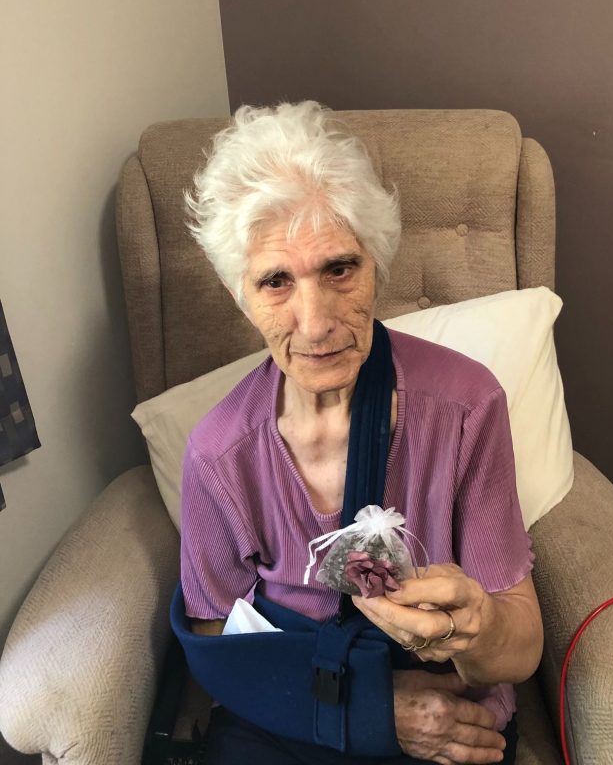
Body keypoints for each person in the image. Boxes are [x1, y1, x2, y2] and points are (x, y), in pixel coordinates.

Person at [181, 101, 543, 764]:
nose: (316, 323)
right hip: (289, 712)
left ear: (377, 262)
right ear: (240, 295)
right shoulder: (218, 453)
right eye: (275, 282)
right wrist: (364, 707)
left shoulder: (466, 407)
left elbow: (520, 651)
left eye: (339, 268)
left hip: (448, 713)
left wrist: (479, 628)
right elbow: (215, 641)